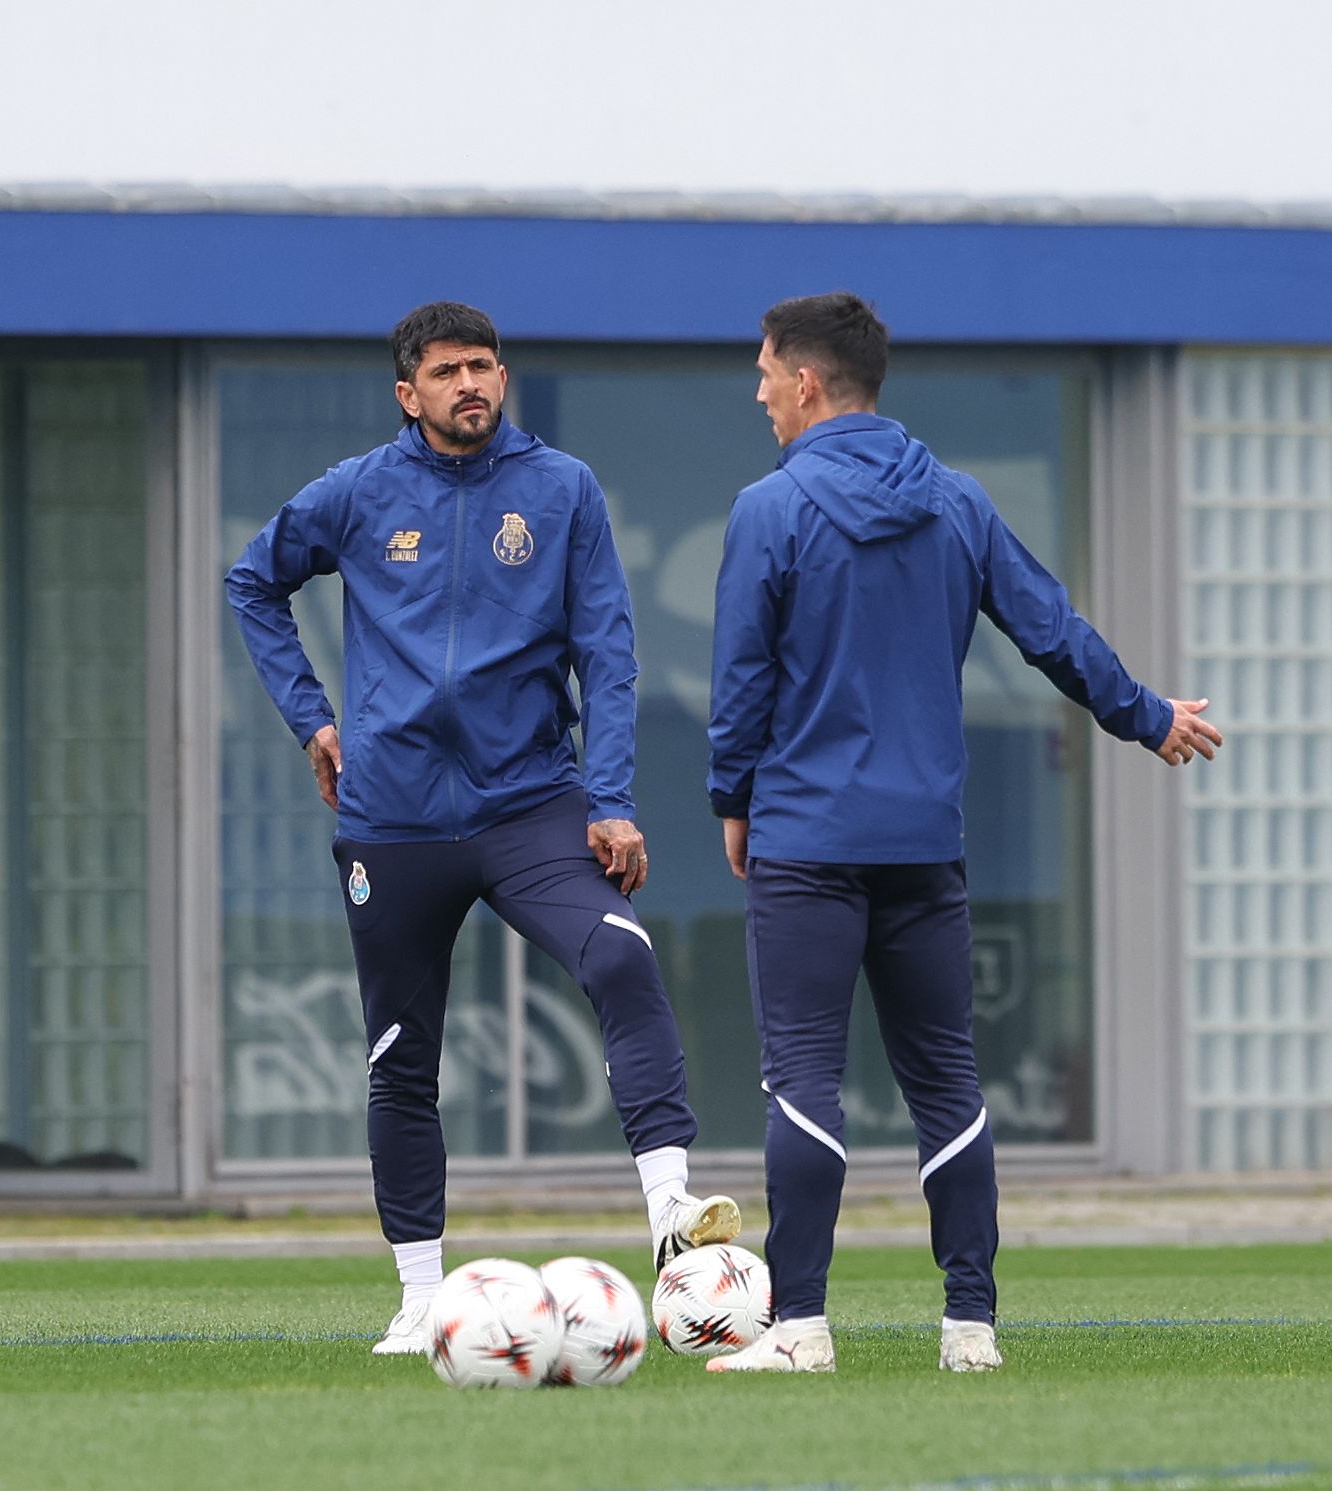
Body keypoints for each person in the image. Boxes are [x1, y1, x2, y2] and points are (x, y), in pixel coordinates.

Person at [705, 292, 1222, 1375]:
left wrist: (730, 801)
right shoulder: (955, 501)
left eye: (763, 372)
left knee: (800, 1077)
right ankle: (969, 1328)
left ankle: (797, 1325)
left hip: (806, 841)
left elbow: (741, 681)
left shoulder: (768, 508)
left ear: (806, 382)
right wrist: (1146, 716)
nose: (755, 391)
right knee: (945, 1080)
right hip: (920, 845)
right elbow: (1050, 629)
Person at [226, 300, 740, 1357]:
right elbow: (251, 583)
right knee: (400, 1055)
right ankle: (419, 1296)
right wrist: (311, 718)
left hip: (528, 806)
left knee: (623, 960)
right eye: (448, 371)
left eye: (485, 366)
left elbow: (607, 653)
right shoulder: (359, 492)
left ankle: (670, 1221)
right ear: (406, 392)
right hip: (391, 820)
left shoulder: (560, 490)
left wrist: (607, 798)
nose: (471, 384)